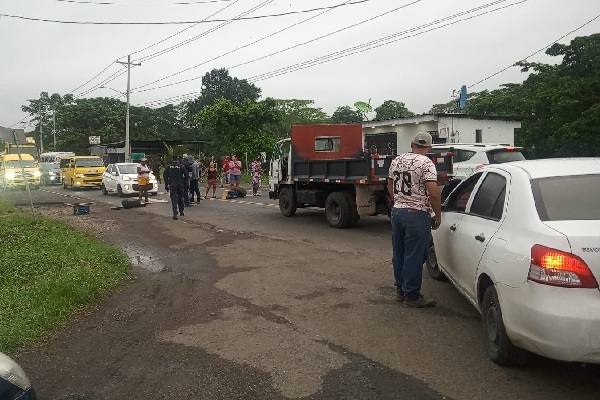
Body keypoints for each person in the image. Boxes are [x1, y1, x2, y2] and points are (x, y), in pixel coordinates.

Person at [387, 132, 442, 308]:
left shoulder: (396, 160)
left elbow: (389, 185)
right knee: (415, 255)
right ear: (429, 147)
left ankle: (400, 290)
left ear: (412, 144)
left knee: (400, 253)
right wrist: (437, 214)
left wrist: (398, 201)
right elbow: (433, 193)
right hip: (417, 214)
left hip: (397, 213)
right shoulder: (427, 163)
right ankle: (412, 295)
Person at [163, 155, 188, 220]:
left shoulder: (168, 167)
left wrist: (166, 184)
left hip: (172, 184)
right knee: (180, 198)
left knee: (174, 199)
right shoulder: (181, 166)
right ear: (178, 159)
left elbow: (165, 176)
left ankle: (175, 214)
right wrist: (184, 182)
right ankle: (181, 211)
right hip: (180, 184)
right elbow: (187, 175)